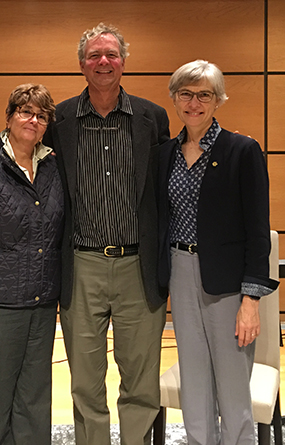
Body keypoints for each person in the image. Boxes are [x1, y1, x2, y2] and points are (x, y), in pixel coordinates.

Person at [43, 23, 170, 445]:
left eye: (111, 54)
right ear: (82, 64)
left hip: (138, 265)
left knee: (140, 382)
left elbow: (166, 187)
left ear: (123, 62)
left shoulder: (152, 118)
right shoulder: (57, 119)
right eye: (95, 55)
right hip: (82, 264)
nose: (103, 62)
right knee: (85, 383)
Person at [158, 60, 279, 445]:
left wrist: (251, 301)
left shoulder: (242, 150)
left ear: (218, 100)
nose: (194, 103)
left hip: (228, 284)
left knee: (232, 387)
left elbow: (258, 231)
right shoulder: (165, 155)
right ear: (175, 99)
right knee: (193, 382)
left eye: (204, 94)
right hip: (180, 269)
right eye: (186, 94)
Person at [0, 83, 64, 445]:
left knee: (34, 405)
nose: (33, 120)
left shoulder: (54, 167)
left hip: (40, 304)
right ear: (8, 117)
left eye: (41, 115)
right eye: (25, 111)